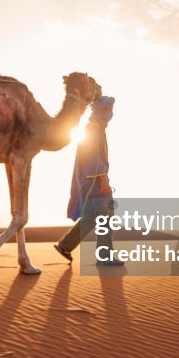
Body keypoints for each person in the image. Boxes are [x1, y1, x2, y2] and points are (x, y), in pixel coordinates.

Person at [54, 95, 122, 266]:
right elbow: (93, 159)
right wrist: (103, 181)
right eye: (107, 109)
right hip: (95, 183)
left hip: (91, 183)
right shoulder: (94, 129)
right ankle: (104, 256)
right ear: (101, 110)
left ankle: (65, 246)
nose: (110, 112)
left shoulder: (94, 128)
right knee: (105, 217)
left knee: (91, 217)